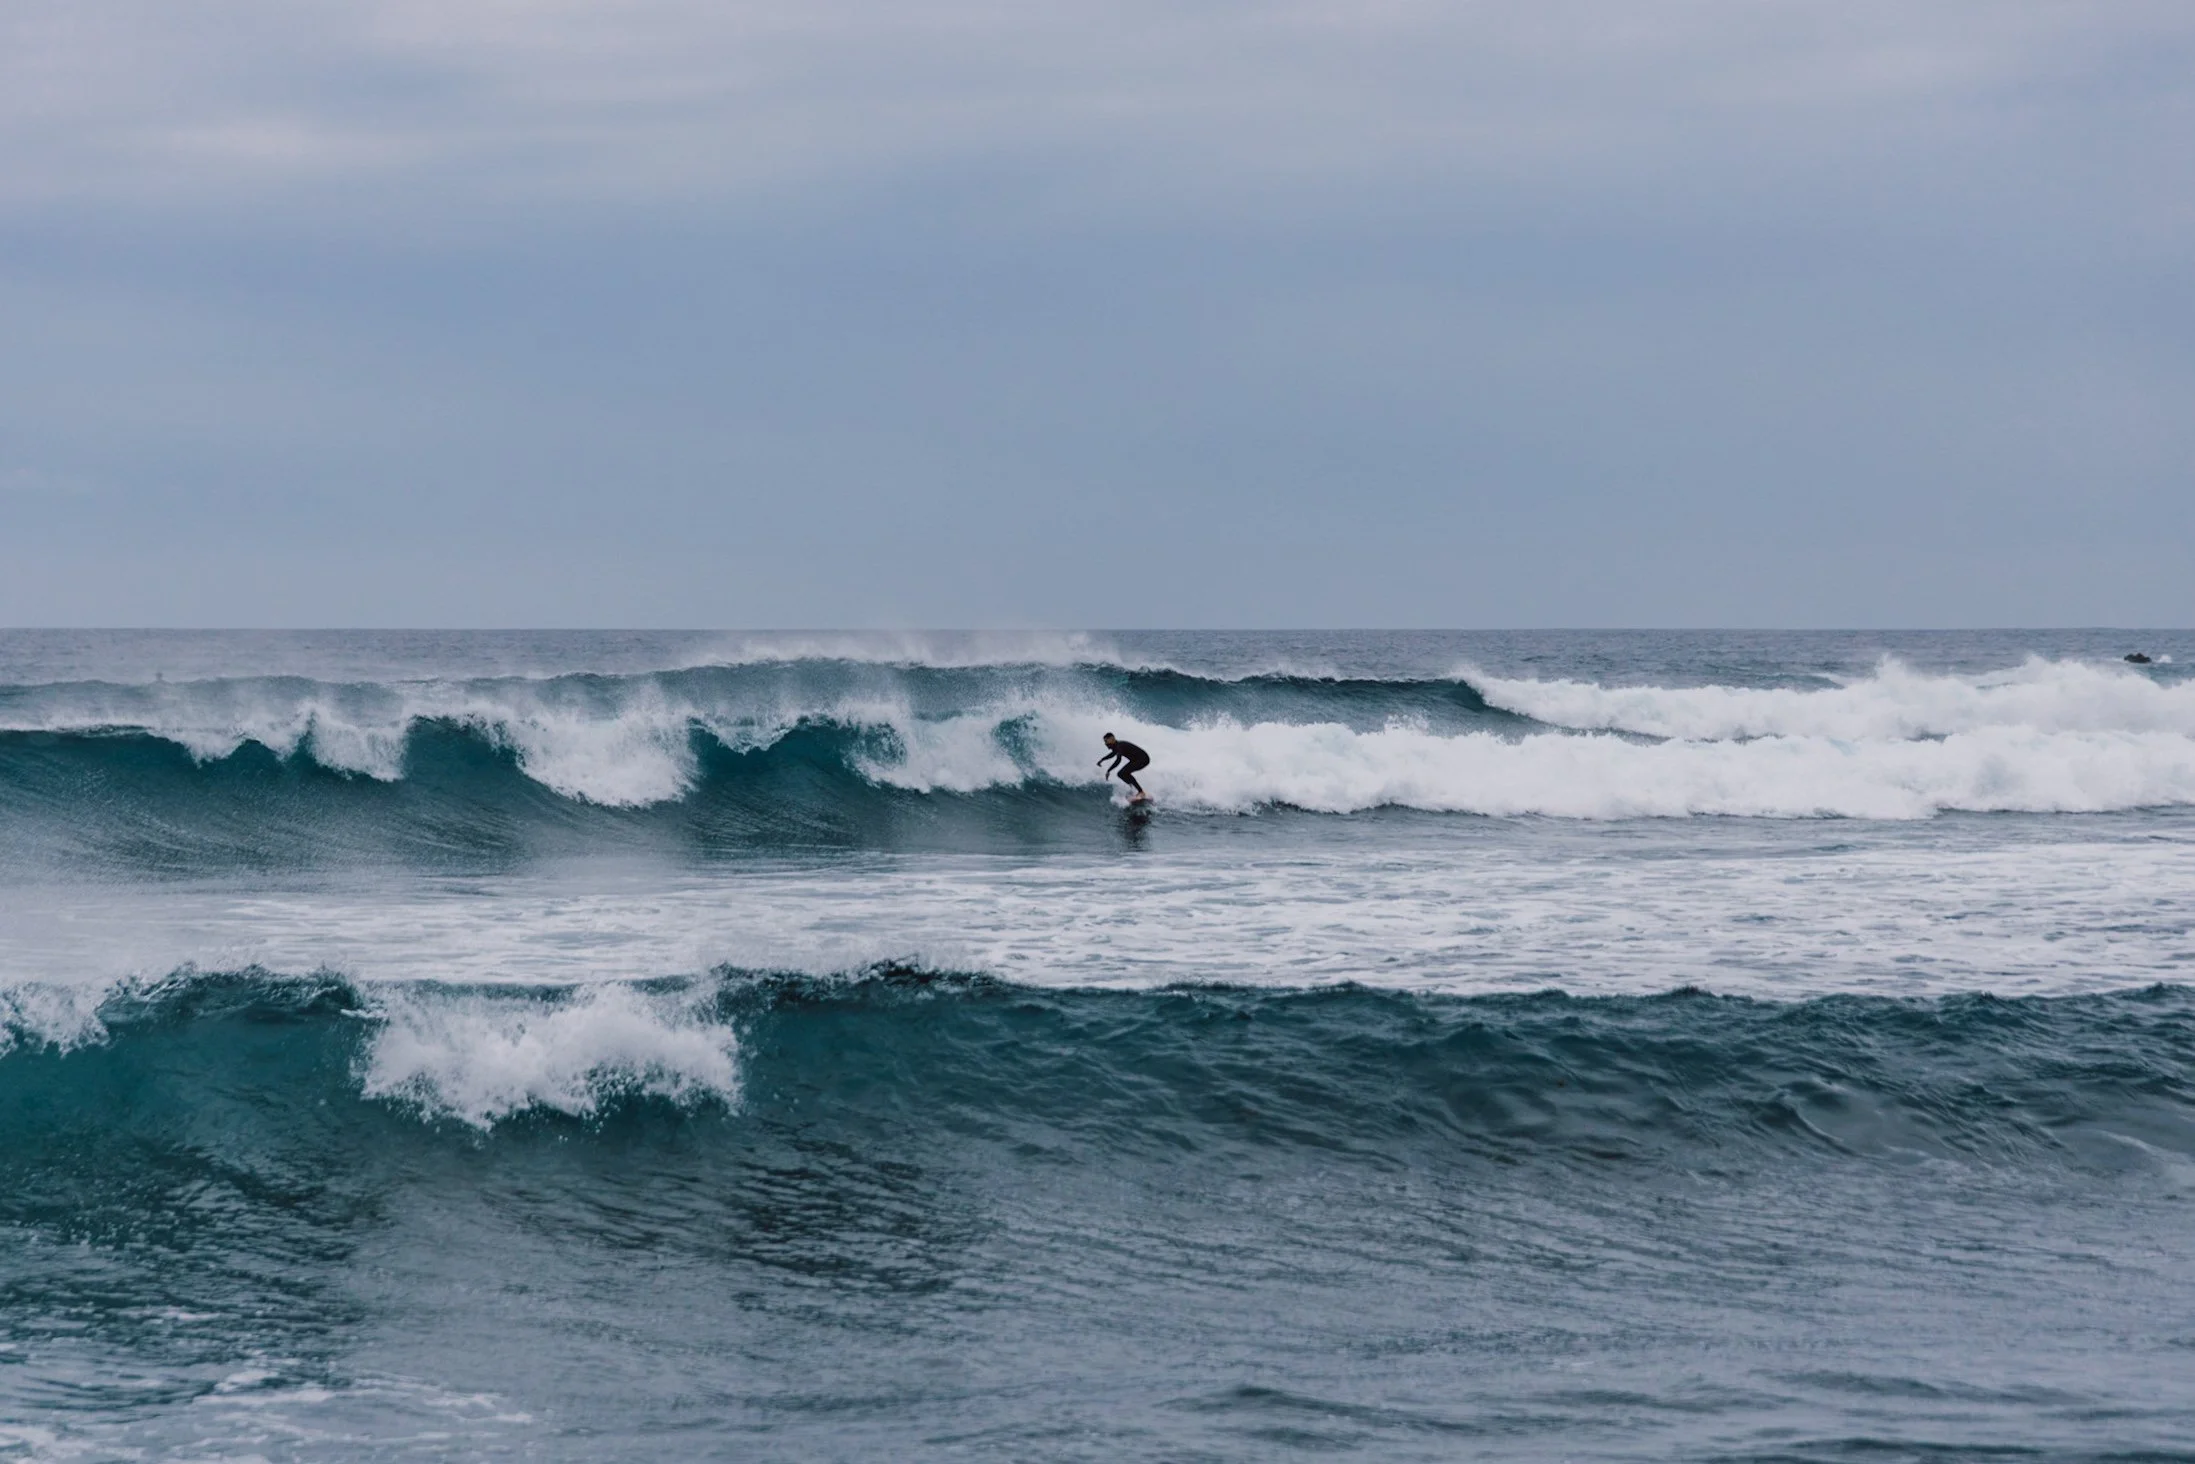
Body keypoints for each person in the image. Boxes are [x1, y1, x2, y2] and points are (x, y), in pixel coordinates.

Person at [1098, 733, 1152, 804]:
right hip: (1137, 760)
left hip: (1143, 759)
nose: (1105, 744)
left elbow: (1118, 760)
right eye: (1104, 742)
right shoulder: (1116, 746)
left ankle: (1141, 792)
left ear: (1112, 739)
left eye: (1106, 741)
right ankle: (1135, 789)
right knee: (1120, 774)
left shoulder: (1119, 746)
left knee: (1124, 772)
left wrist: (1109, 770)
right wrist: (1102, 759)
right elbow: (1112, 754)